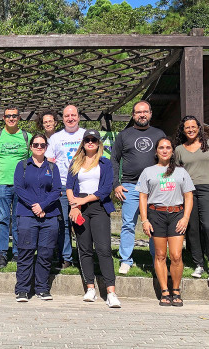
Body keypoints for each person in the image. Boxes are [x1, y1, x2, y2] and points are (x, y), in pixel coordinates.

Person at [65, 129, 121, 308]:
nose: (90, 142)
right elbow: (69, 187)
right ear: (83, 143)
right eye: (87, 140)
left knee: (104, 248)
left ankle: (111, 291)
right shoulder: (76, 162)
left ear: (98, 143)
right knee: (84, 248)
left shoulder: (105, 163)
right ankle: (90, 288)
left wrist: (83, 200)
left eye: (94, 140)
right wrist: (75, 206)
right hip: (79, 208)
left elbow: (105, 190)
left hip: (98, 207)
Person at [137, 137, 194, 307]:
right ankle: (164, 291)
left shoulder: (181, 172)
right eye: (161, 147)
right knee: (160, 255)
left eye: (168, 147)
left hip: (177, 214)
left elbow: (189, 196)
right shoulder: (148, 171)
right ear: (156, 151)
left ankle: (176, 290)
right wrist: (145, 220)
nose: (164, 150)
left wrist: (185, 218)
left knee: (176, 255)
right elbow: (143, 197)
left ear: (172, 151)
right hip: (156, 215)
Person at [111, 100, 165, 274]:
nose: (142, 115)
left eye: (145, 112)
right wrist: (116, 184)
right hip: (130, 186)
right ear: (133, 115)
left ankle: (157, 259)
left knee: (155, 224)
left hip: (155, 187)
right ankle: (126, 260)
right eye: (138, 112)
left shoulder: (159, 134)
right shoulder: (123, 135)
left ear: (150, 113)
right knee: (128, 224)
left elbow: (166, 158)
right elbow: (114, 160)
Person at [175, 115, 209, 283]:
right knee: (192, 228)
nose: (190, 130)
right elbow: (177, 174)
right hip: (188, 192)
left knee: (208, 226)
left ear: (199, 128)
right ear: (183, 131)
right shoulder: (179, 150)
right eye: (187, 127)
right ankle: (198, 263)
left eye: (193, 127)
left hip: (208, 189)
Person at [13, 134, 61, 302]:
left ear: (46, 147)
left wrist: (43, 206)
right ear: (31, 147)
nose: (39, 147)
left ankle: (42, 288)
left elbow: (57, 190)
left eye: (42, 144)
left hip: (49, 216)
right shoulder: (22, 165)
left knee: (45, 253)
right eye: (36, 144)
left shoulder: (53, 167)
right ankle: (22, 289)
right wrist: (35, 205)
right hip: (27, 214)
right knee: (25, 252)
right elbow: (19, 188)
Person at [45, 105, 86, 269]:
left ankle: (84, 257)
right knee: (63, 223)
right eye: (67, 116)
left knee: (82, 222)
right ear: (62, 119)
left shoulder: (85, 135)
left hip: (83, 186)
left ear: (78, 116)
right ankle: (66, 257)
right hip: (62, 186)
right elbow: (49, 160)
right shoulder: (55, 138)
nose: (70, 118)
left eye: (73, 115)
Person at [0, 106, 32, 268]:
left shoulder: (26, 136)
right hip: (1, 184)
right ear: (3, 118)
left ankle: (17, 252)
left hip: (21, 186)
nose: (11, 118)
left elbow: (30, 160)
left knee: (18, 219)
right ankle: (1, 253)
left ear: (19, 118)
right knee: (1, 219)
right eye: (8, 116)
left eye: (14, 116)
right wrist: (0, 175)